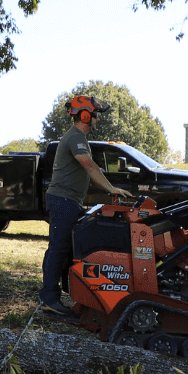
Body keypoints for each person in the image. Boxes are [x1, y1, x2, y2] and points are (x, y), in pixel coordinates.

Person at [40, 95, 132, 320]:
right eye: (95, 116)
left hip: (69, 201)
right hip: (62, 201)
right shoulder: (75, 138)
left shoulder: (79, 139)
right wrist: (112, 189)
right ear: (84, 115)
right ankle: (49, 301)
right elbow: (90, 167)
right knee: (59, 249)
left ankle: (66, 294)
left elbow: (89, 172)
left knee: (69, 249)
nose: (97, 121)